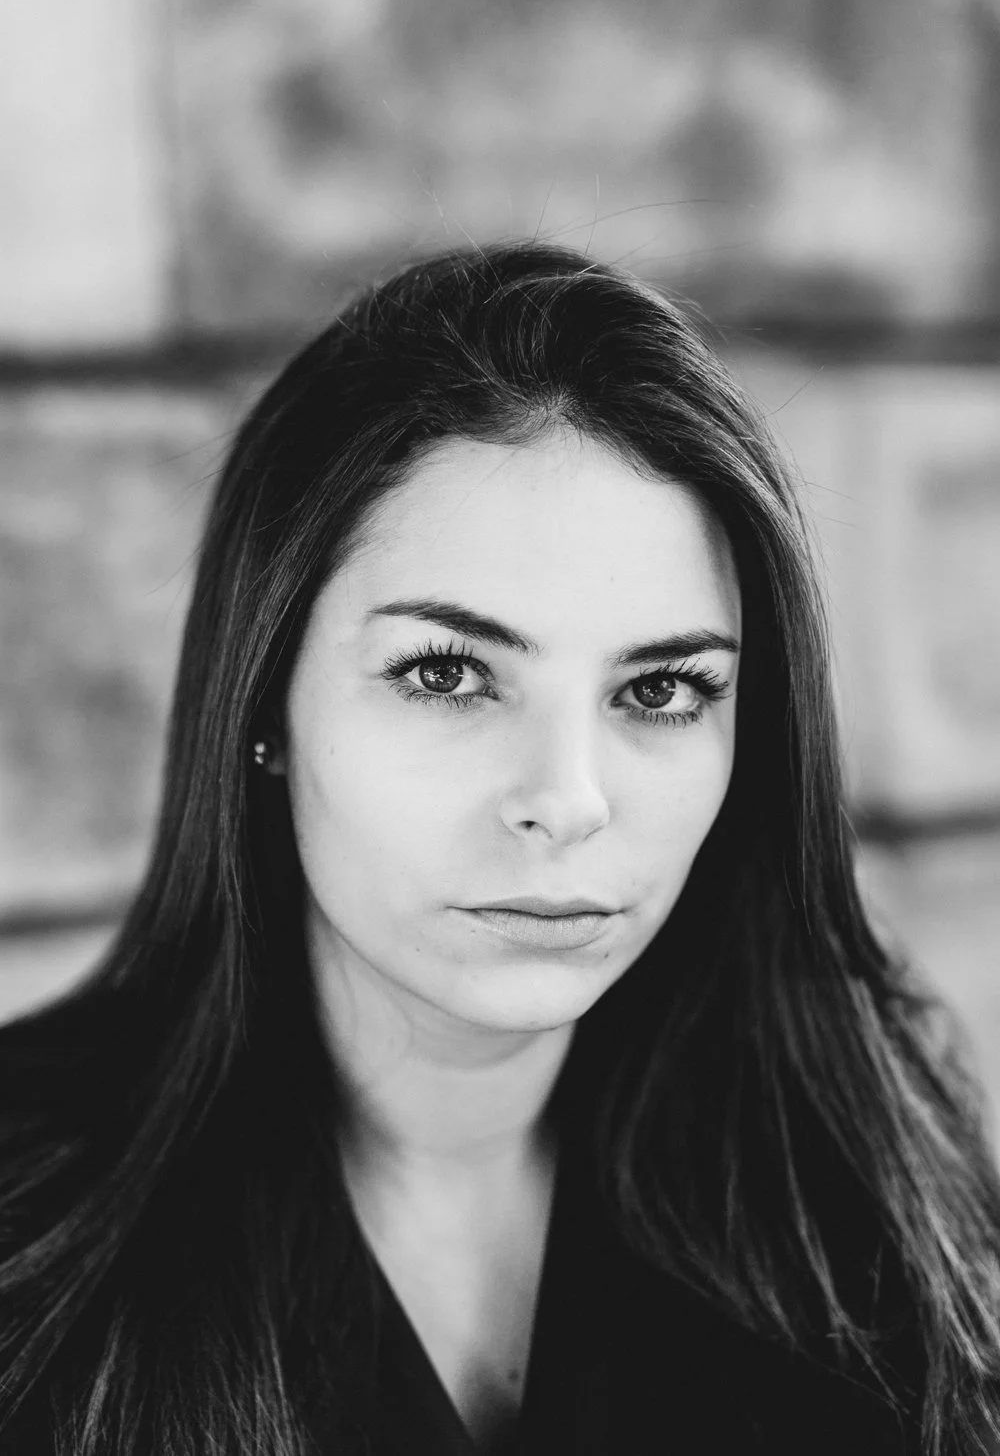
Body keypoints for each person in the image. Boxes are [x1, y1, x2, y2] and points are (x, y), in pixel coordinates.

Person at [1, 242, 999, 1456]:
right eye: (447, 673)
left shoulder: (874, 1204)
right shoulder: (28, 1245)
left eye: (664, 690)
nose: (565, 799)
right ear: (263, 703)